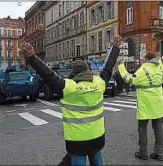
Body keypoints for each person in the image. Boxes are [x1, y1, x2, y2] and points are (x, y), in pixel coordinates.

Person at [21, 36, 121, 166]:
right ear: (87, 72)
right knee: (97, 160)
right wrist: (115, 48)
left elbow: (49, 76)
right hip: (97, 137)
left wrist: (32, 58)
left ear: (74, 75)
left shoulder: (68, 87)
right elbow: (108, 67)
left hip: (76, 141)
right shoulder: (99, 83)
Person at [118, 52, 163, 161]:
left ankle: (143, 152)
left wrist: (121, 66)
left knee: (142, 128)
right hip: (158, 103)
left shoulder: (143, 69)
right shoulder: (159, 67)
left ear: (146, 59)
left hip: (145, 103)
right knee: (158, 127)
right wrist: (159, 61)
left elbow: (129, 79)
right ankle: (158, 153)